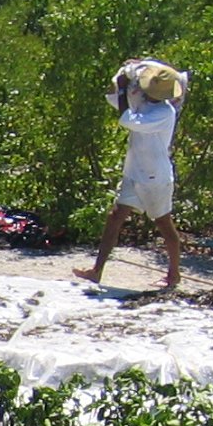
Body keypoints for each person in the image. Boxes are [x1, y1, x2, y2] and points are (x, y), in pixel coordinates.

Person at [74, 57, 190, 290]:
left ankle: (174, 275)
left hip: (154, 177)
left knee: (164, 224)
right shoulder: (146, 103)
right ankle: (97, 271)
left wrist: (126, 89)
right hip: (135, 172)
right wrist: (125, 78)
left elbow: (127, 120)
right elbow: (115, 98)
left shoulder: (164, 113)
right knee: (115, 217)